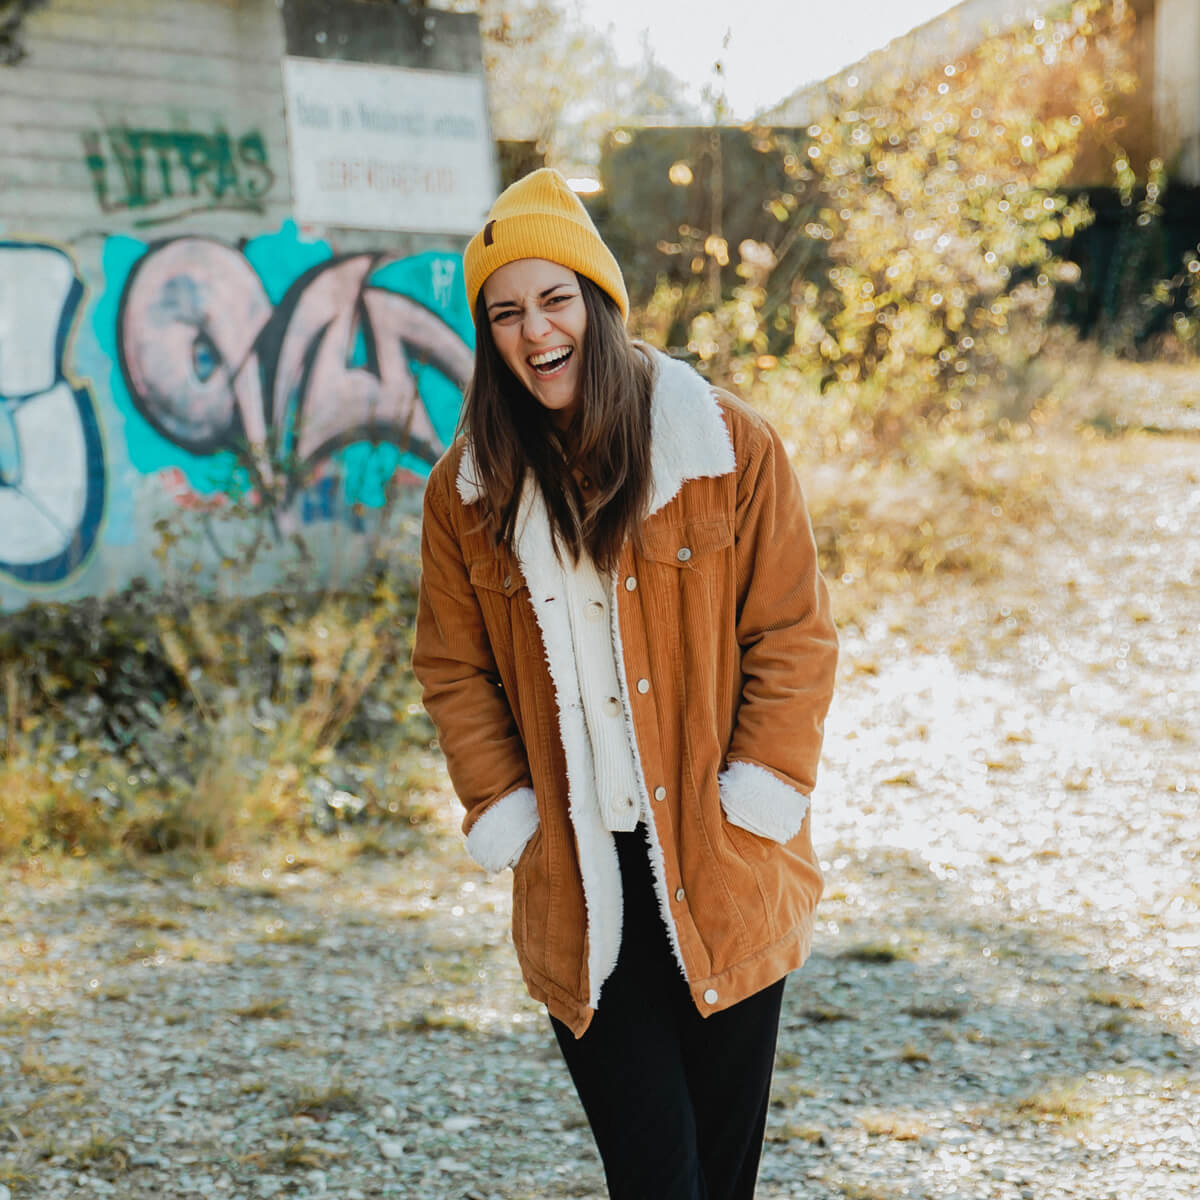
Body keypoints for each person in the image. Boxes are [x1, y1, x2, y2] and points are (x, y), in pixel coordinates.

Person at [412, 167, 838, 1200]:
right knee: (656, 1177)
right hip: (578, 878)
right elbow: (453, 669)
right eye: (504, 312)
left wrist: (759, 797)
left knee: (719, 1179)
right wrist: (505, 814)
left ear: (597, 306)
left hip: (723, 859)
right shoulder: (466, 492)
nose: (534, 330)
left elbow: (792, 638)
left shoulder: (726, 448)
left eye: (555, 298)